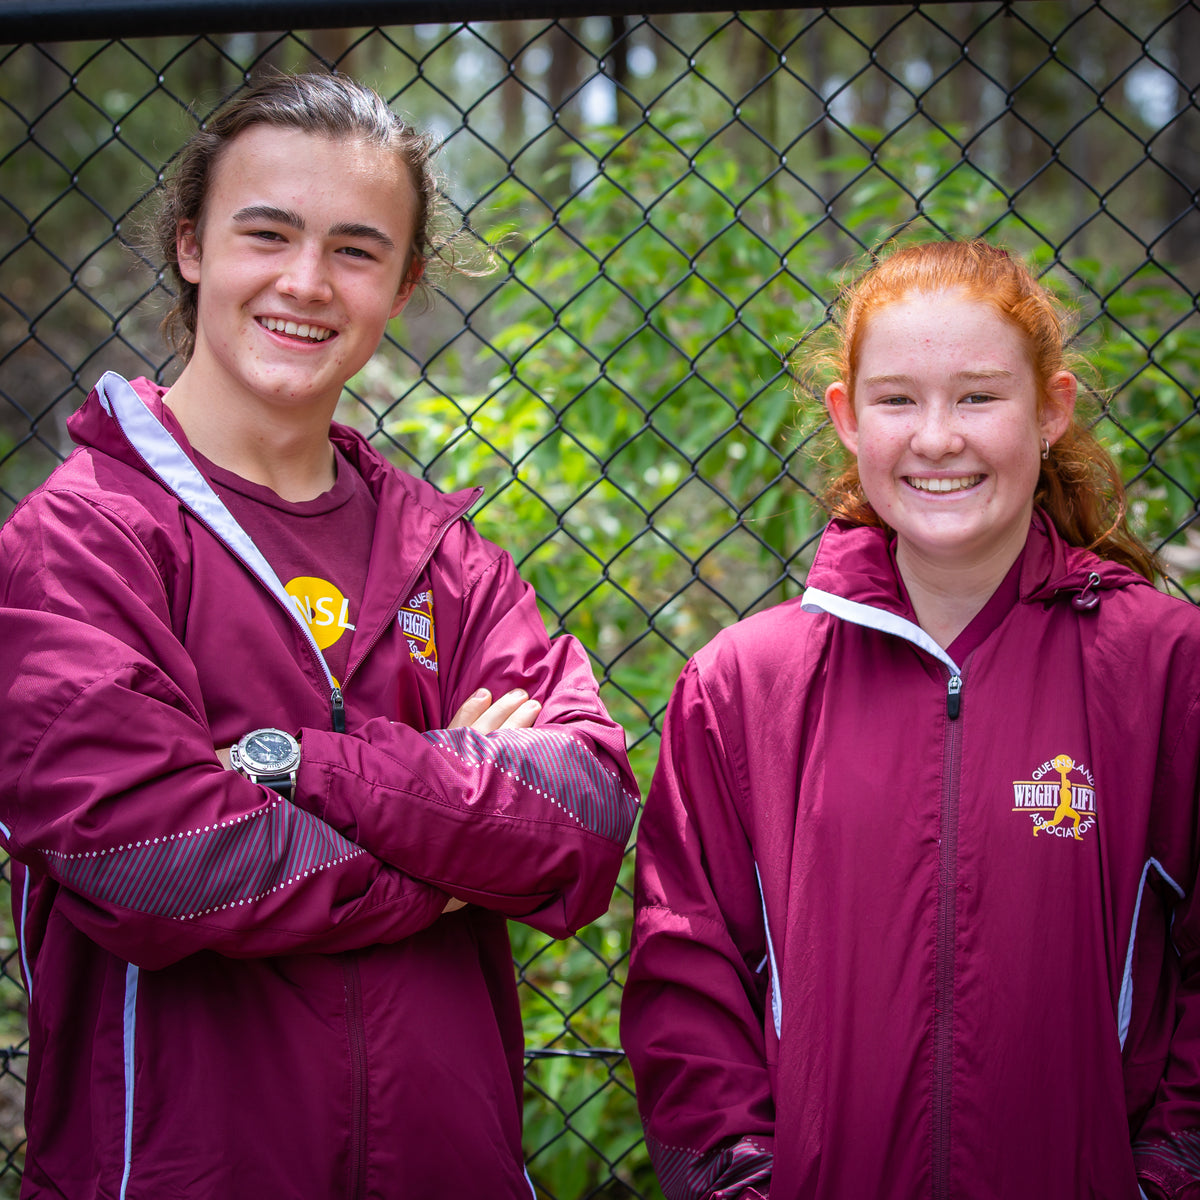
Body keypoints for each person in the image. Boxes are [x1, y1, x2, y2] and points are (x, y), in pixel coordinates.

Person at [0, 71, 639, 1198]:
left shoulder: (443, 554)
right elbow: (152, 860)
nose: (305, 281)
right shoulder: (83, 540)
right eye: (267, 234)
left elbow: (583, 818)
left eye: (355, 249)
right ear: (192, 246)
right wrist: (454, 849)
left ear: (403, 283)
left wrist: (291, 767)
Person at [620, 239, 1200, 1200]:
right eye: (896, 400)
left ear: (1051, 410)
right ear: (847, 419)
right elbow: (688, 976)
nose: (937, 438)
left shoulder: (1166, 668)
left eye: (978, 397)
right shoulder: (742, 687)